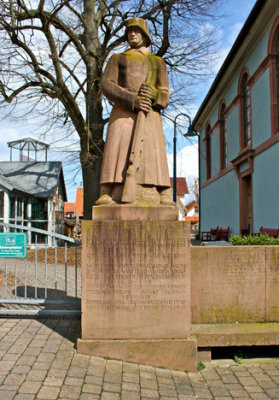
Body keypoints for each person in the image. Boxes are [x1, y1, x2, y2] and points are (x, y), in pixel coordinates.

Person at [96, 18, 173, 205]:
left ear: (145, 35)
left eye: (137, 31)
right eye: (129, 31)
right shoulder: (117, 58)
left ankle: (162, 192)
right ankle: (108, 190)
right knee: (116, 148)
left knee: (153, 150)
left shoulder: (157, 62)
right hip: (123, 111)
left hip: (149, 113)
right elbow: (106, 85)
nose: (132, 34)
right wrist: (131, 100)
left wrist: (154, 94)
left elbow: (165, 95)